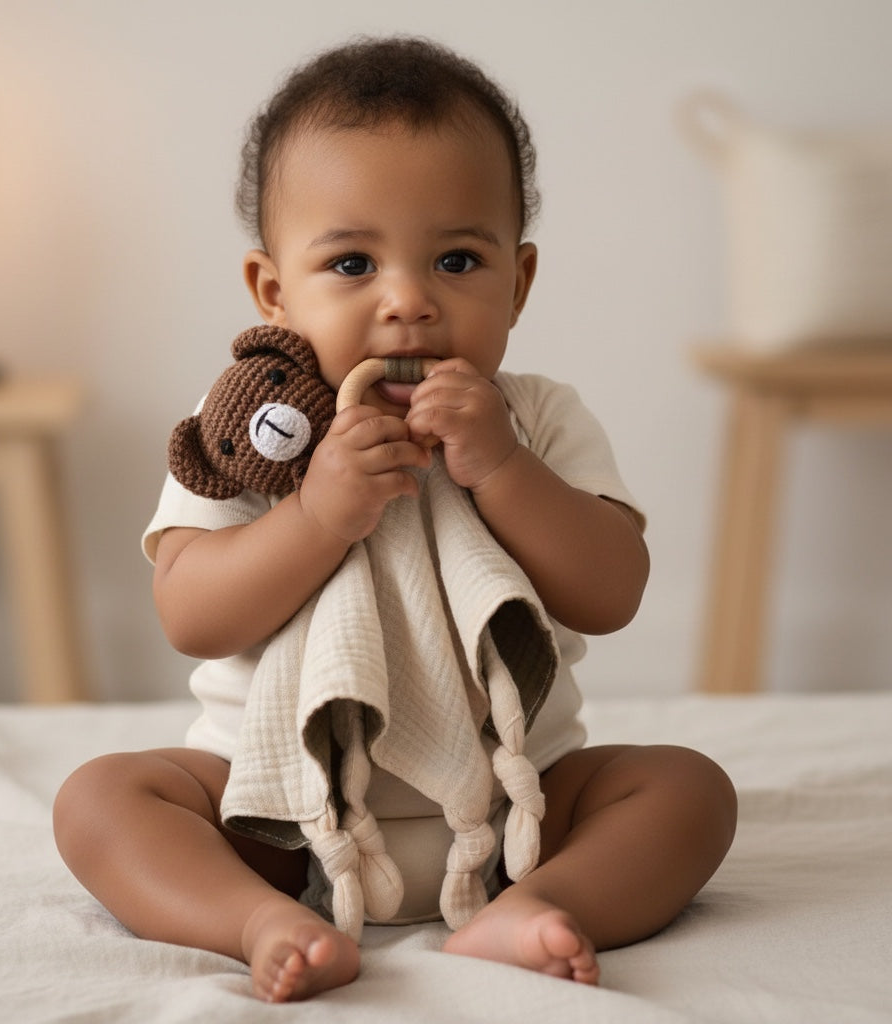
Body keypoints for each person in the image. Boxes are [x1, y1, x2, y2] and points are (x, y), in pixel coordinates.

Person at [53, 35, 737, 1004]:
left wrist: (501, 464)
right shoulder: (254, 427)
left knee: (687, 790)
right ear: (273, 291)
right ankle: (254, 918)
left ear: (519, 282)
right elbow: (191, 615)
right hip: (275, 811)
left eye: (457, 259)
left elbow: (610, 590)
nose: (408, 301)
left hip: (518, 802)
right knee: (101, 798)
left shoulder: (534, 416)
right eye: (351, 262)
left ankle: (541, 903)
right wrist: (317, 516)